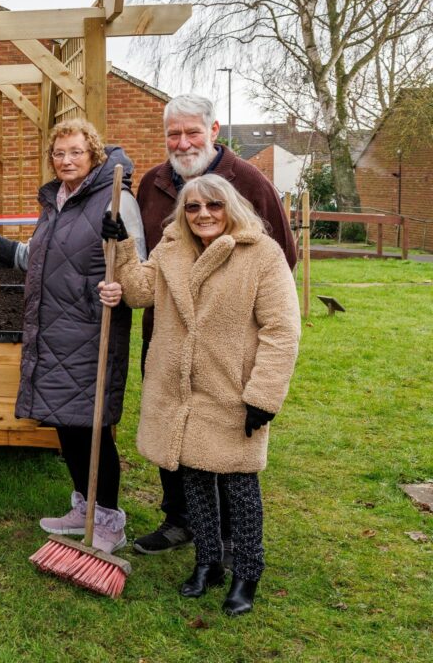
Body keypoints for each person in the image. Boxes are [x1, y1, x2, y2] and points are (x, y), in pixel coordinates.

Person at [103, 174, 301, 616]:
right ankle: (207, 564)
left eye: (213, 205)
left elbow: (282, 331)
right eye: (193, 208)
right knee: (193, 479)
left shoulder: (261, 255)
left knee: (240, 485)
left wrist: (263, 396)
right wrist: (121, 247)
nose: (203, 214)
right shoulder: (172, 248)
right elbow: (138, 291)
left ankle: (247, 573)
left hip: (231, 389)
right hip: (178, 390)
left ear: (230, 206)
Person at [0, 118, 144, 551]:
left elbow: (140, 266)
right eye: (59, 153)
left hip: (90, 326)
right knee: (66, 423)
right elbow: (37, 259)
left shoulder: (116, 199)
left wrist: (121, 287)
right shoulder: (57, 201)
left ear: (93, 154)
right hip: (52, 328)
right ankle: (84, 507)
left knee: (92, 427)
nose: (66, 160)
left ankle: (109, 521)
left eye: (75, 152)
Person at [132, 94, 298, 558]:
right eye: (173, 134)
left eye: (192, 133)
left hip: (227, 346)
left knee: (224, 441)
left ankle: (228, 538)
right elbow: (150, 261)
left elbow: (280, 258)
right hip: (166, 336)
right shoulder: (154, 184)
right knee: (173, 427)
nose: (183, 143)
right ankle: (180, 519)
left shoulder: (248, 182)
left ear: (214, 131)